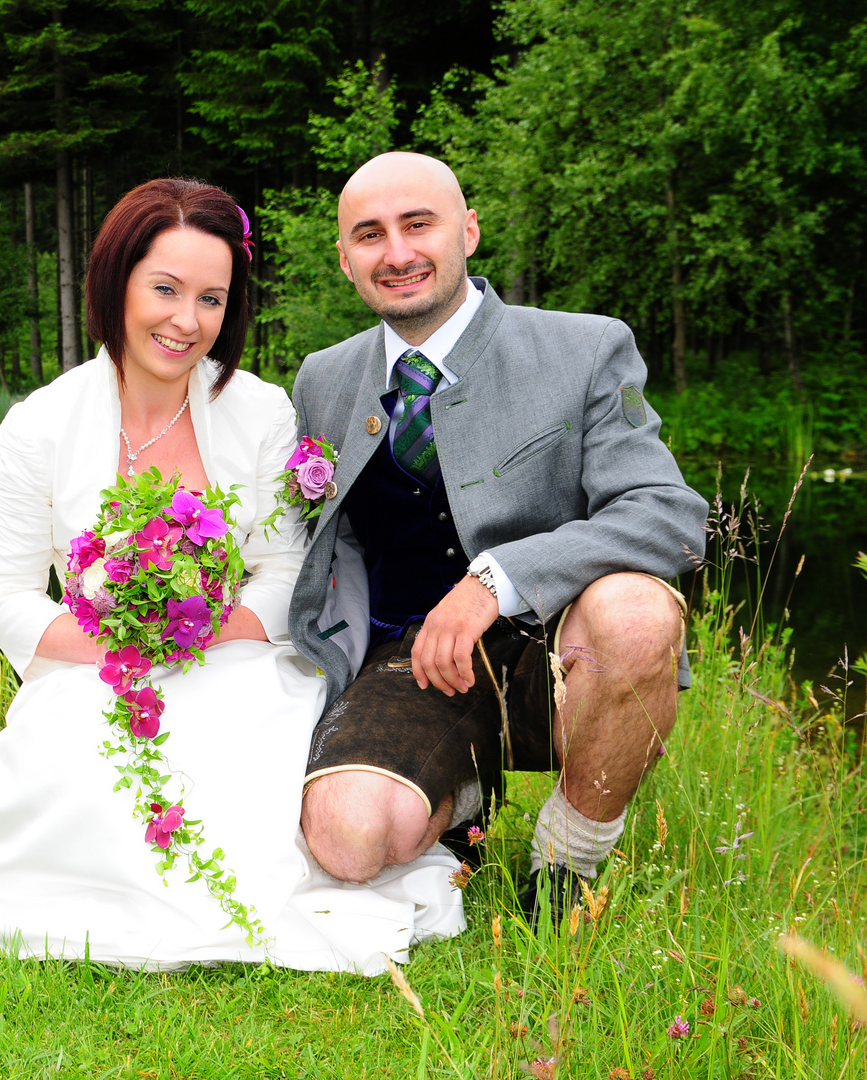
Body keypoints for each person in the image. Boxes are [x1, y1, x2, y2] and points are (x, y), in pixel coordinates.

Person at [0, 178, 464, 972]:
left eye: (211, 298)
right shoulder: (40, 422)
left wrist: (204, 631)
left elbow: (282, 570)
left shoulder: (261, 410)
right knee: (84, 760)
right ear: (116, 281)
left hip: (239, 657)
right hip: (97, 666)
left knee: (241, 747)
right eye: (165, 289)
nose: (186, 321)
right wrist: (123, 653)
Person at [286, 152, 709, 917]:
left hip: (558, 652)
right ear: (346, 259)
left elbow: (668, 515)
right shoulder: (322, 377)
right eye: (371, 234)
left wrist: (495, 580)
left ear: (469, 231)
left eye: (420, 224)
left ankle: (567, 859)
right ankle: (462, 789)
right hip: (408, 659)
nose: (399, 252)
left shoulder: (584, 349)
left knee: (639, 613)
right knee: (347, 841)